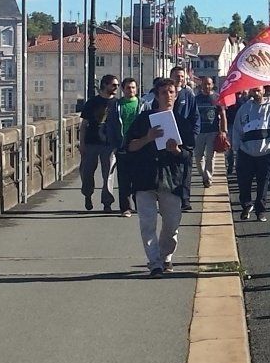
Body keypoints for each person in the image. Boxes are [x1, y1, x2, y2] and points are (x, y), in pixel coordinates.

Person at [120, 77, 188, 276]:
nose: (168, 96)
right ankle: (155, 262)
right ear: (157, 96)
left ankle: (165, 255)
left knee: (172, 224)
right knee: (147, 223)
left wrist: (176, 151)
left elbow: (187, 155)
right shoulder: (143, 119)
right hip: (145, 177)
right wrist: (147, 138)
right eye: (164, 92)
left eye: (171, 92)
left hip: (171, 179)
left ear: (176, 95)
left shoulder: (181, 122)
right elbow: (129, 146)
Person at [232, 86, 270, 221]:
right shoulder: (244, 108)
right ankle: (246, 205)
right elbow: (237, 128)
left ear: (263, 91)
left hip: (266, 151)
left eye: (258, 90)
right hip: (246, 152)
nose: (256, 93)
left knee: (263, 182)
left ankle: (260, 210)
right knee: (244, 182)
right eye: (253, 90)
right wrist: (236, 146)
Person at [78, 74, 122, 212]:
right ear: (105, 85)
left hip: (109, 144)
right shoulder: (92, 103)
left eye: (117, 85)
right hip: (91, 142)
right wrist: (82, 143)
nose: (116, 88)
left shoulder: (117, 103)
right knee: (87, 173)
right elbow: (84, 124)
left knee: (108, 174)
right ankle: (87, 194)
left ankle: (107, 202)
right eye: (113, 85)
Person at [169, 65, 200, 212]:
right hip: (169, 139)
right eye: (177, 76)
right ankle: (172, 198)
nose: (179, 79)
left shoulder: (189, 95)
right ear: (171, 76)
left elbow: (195, 116)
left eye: (182, 76)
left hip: (186, 140)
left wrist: (193, 134)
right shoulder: (166, 94)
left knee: (186, 170)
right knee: (172, 169)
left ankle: (185, 200)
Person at [114, 77, 142, 215]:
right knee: (123, 178)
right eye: (128, 88)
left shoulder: (143, 105)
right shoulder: (117, 105)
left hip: (139, 144)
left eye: (133, 87)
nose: (131, 90)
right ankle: (125, 207)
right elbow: (110, 126)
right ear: (123, 89)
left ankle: (139, 204)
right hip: (122, 145)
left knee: (139, 177)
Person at [190, 77, 224, 189]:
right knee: (198, 156)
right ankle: (203, 175)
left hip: (212, 131)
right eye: (205, 84)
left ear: (212, 85)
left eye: (209, 84)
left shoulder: (217, 98)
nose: (207, 86)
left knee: (210, 156)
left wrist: (223, 131)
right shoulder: (196, 99)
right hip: (199, 132)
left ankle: (208, 178)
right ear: (201, 85)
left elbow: (223, 115)